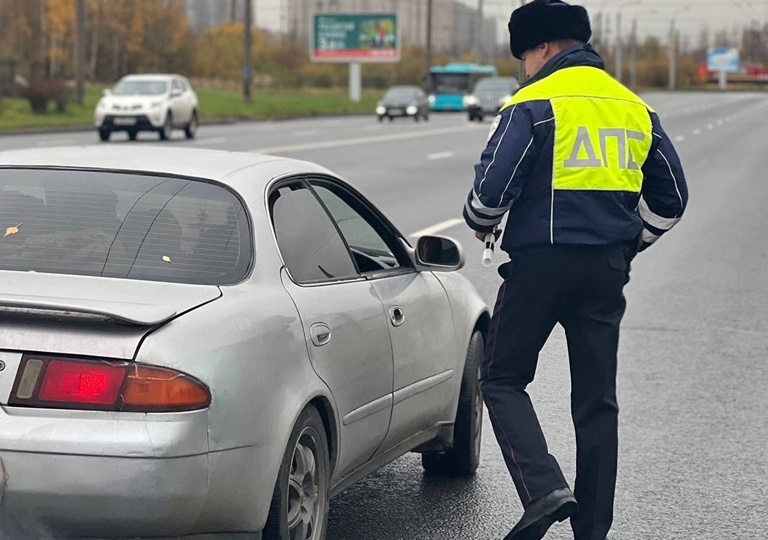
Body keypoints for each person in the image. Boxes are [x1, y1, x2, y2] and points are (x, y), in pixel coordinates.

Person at [461, 1, 688, 539]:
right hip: (606, 268)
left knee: (502, 376)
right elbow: (672, 197)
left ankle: (543, 489)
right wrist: (632, 243)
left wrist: (478, 219)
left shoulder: (534, 102)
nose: (523, 67)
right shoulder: (632, 105)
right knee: (596, 401)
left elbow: (490, 195)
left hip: (540, 264)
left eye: (523, 56)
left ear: (540, 47)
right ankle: (591, 530)